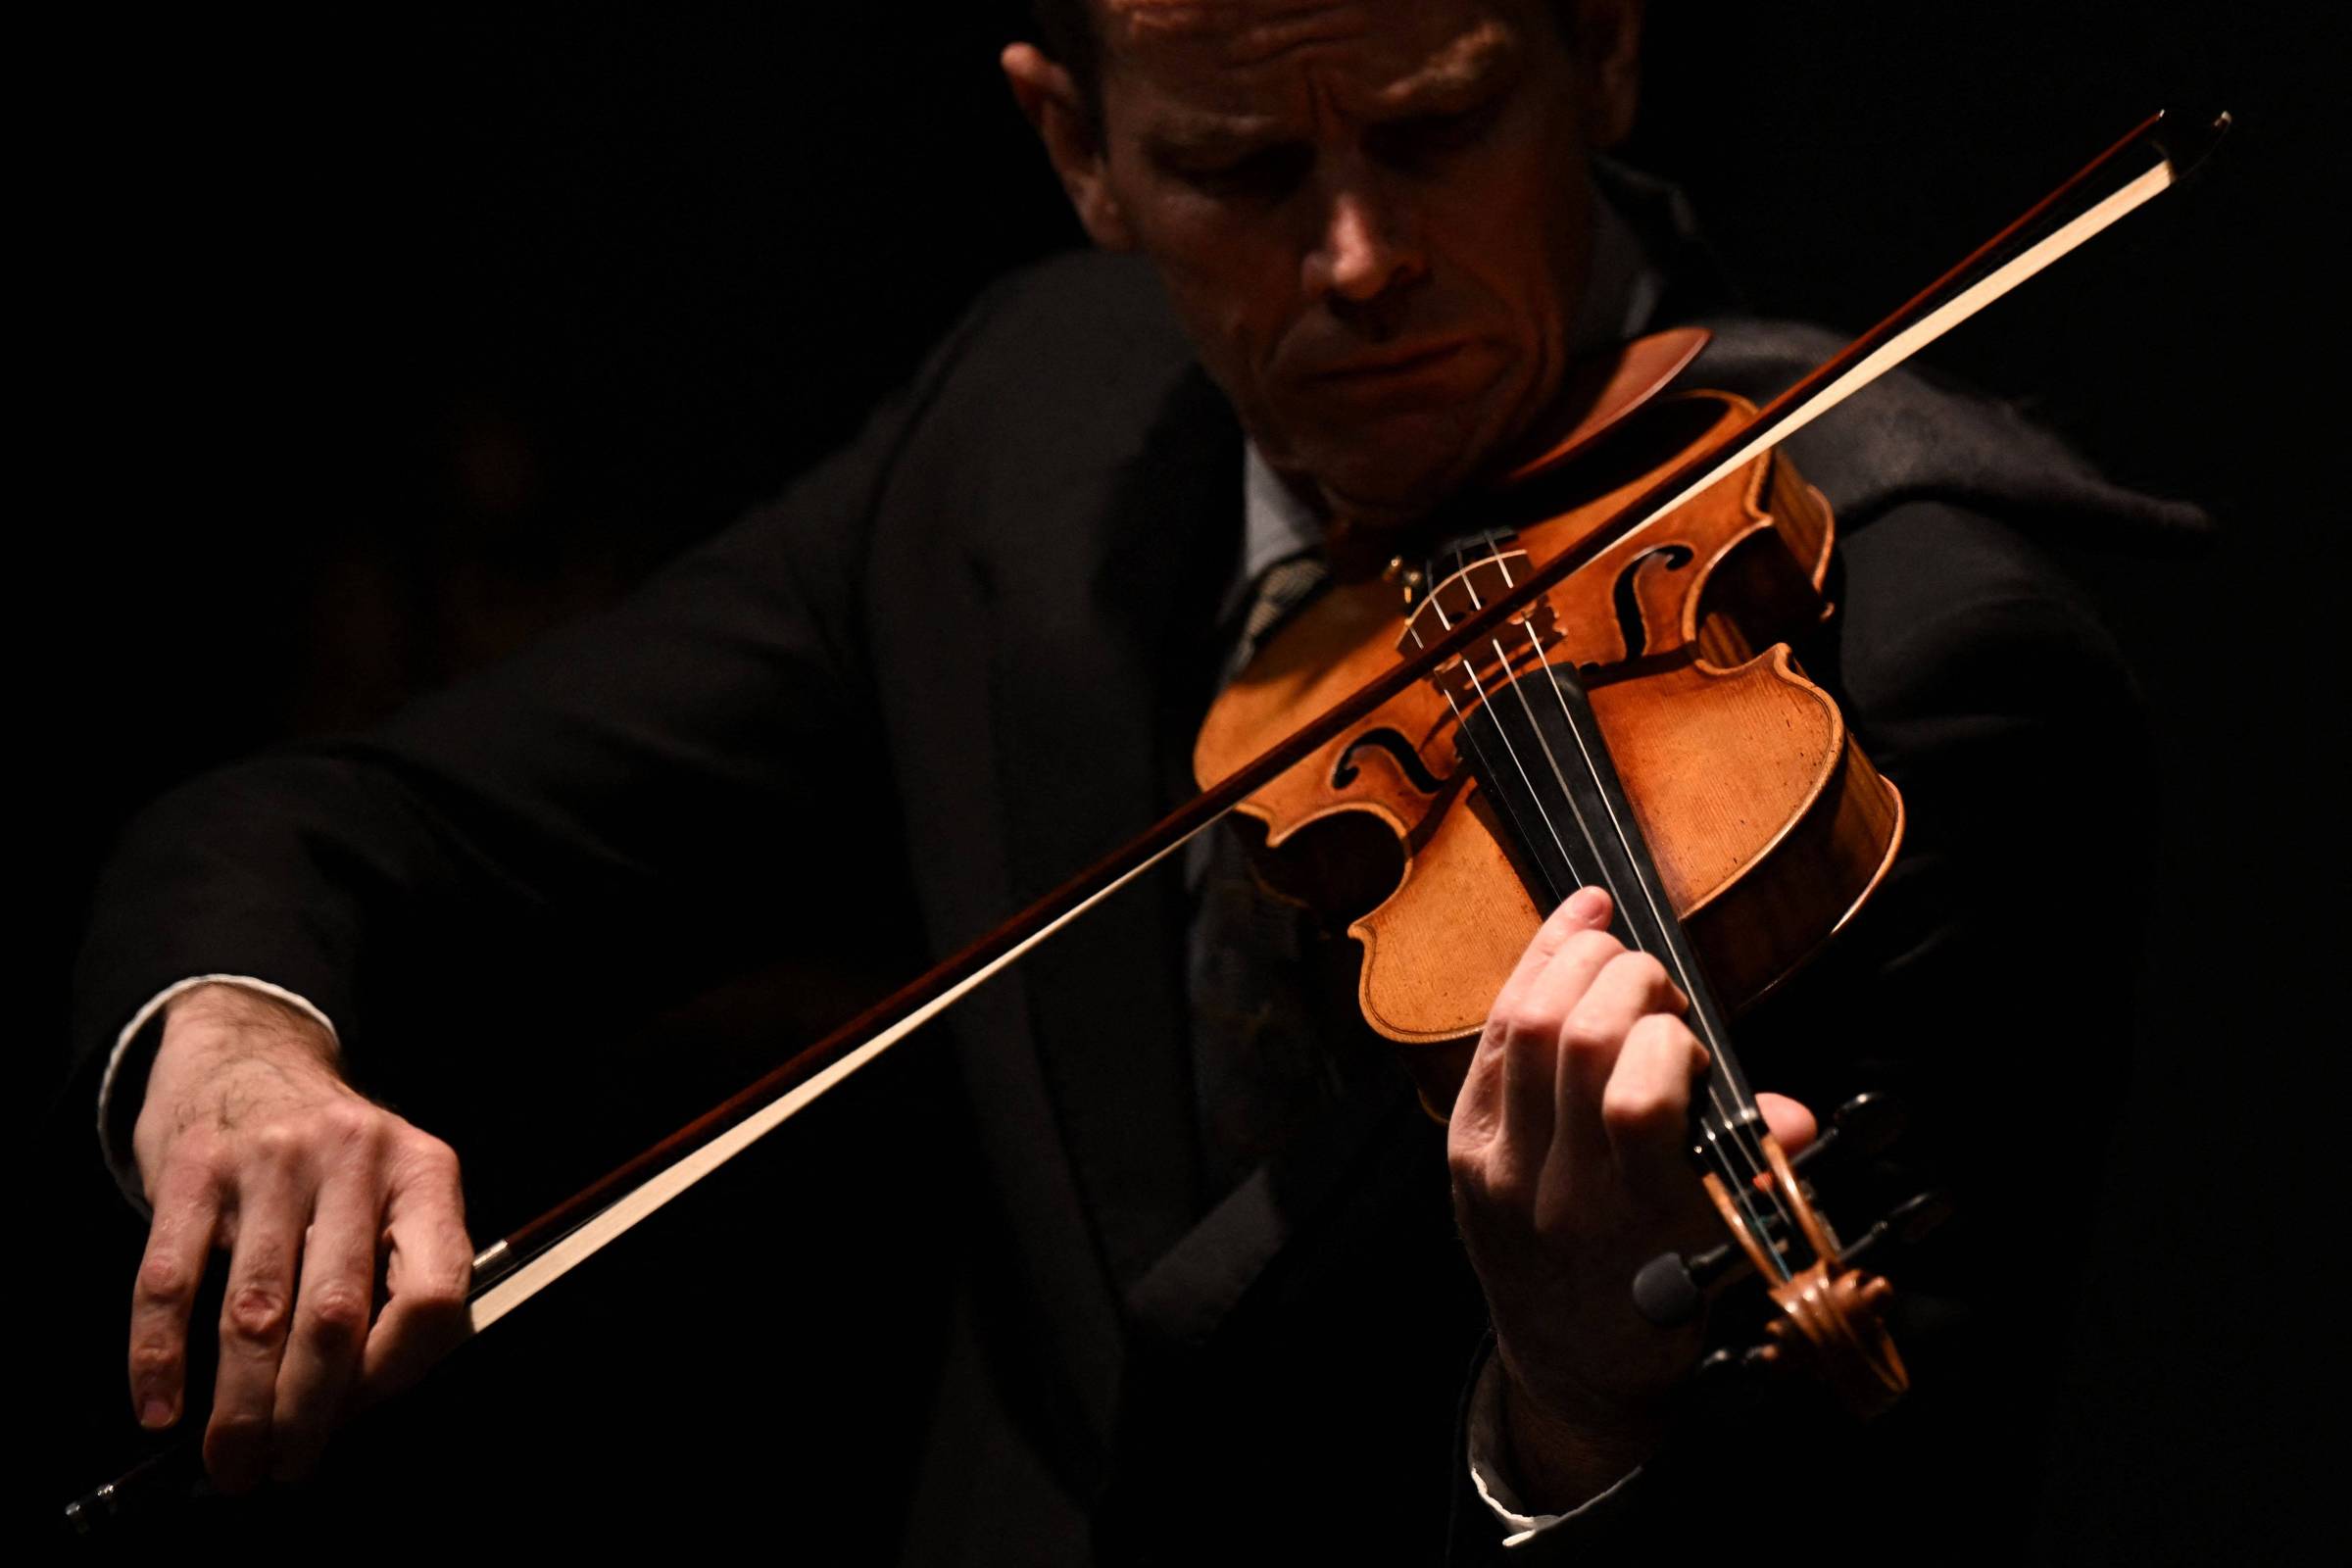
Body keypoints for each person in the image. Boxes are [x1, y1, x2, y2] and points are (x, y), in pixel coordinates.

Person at [74, 1, 2202, 1557]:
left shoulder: (1914, 668)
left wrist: (1572, 1410)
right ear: (1081, 149)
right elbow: (348, 825)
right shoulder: (1031, 423)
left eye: (1437, 125)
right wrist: (244, 1044)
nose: (1357, 259)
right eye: (1243, 172)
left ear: (1608, 51)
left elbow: (1900, 1512)